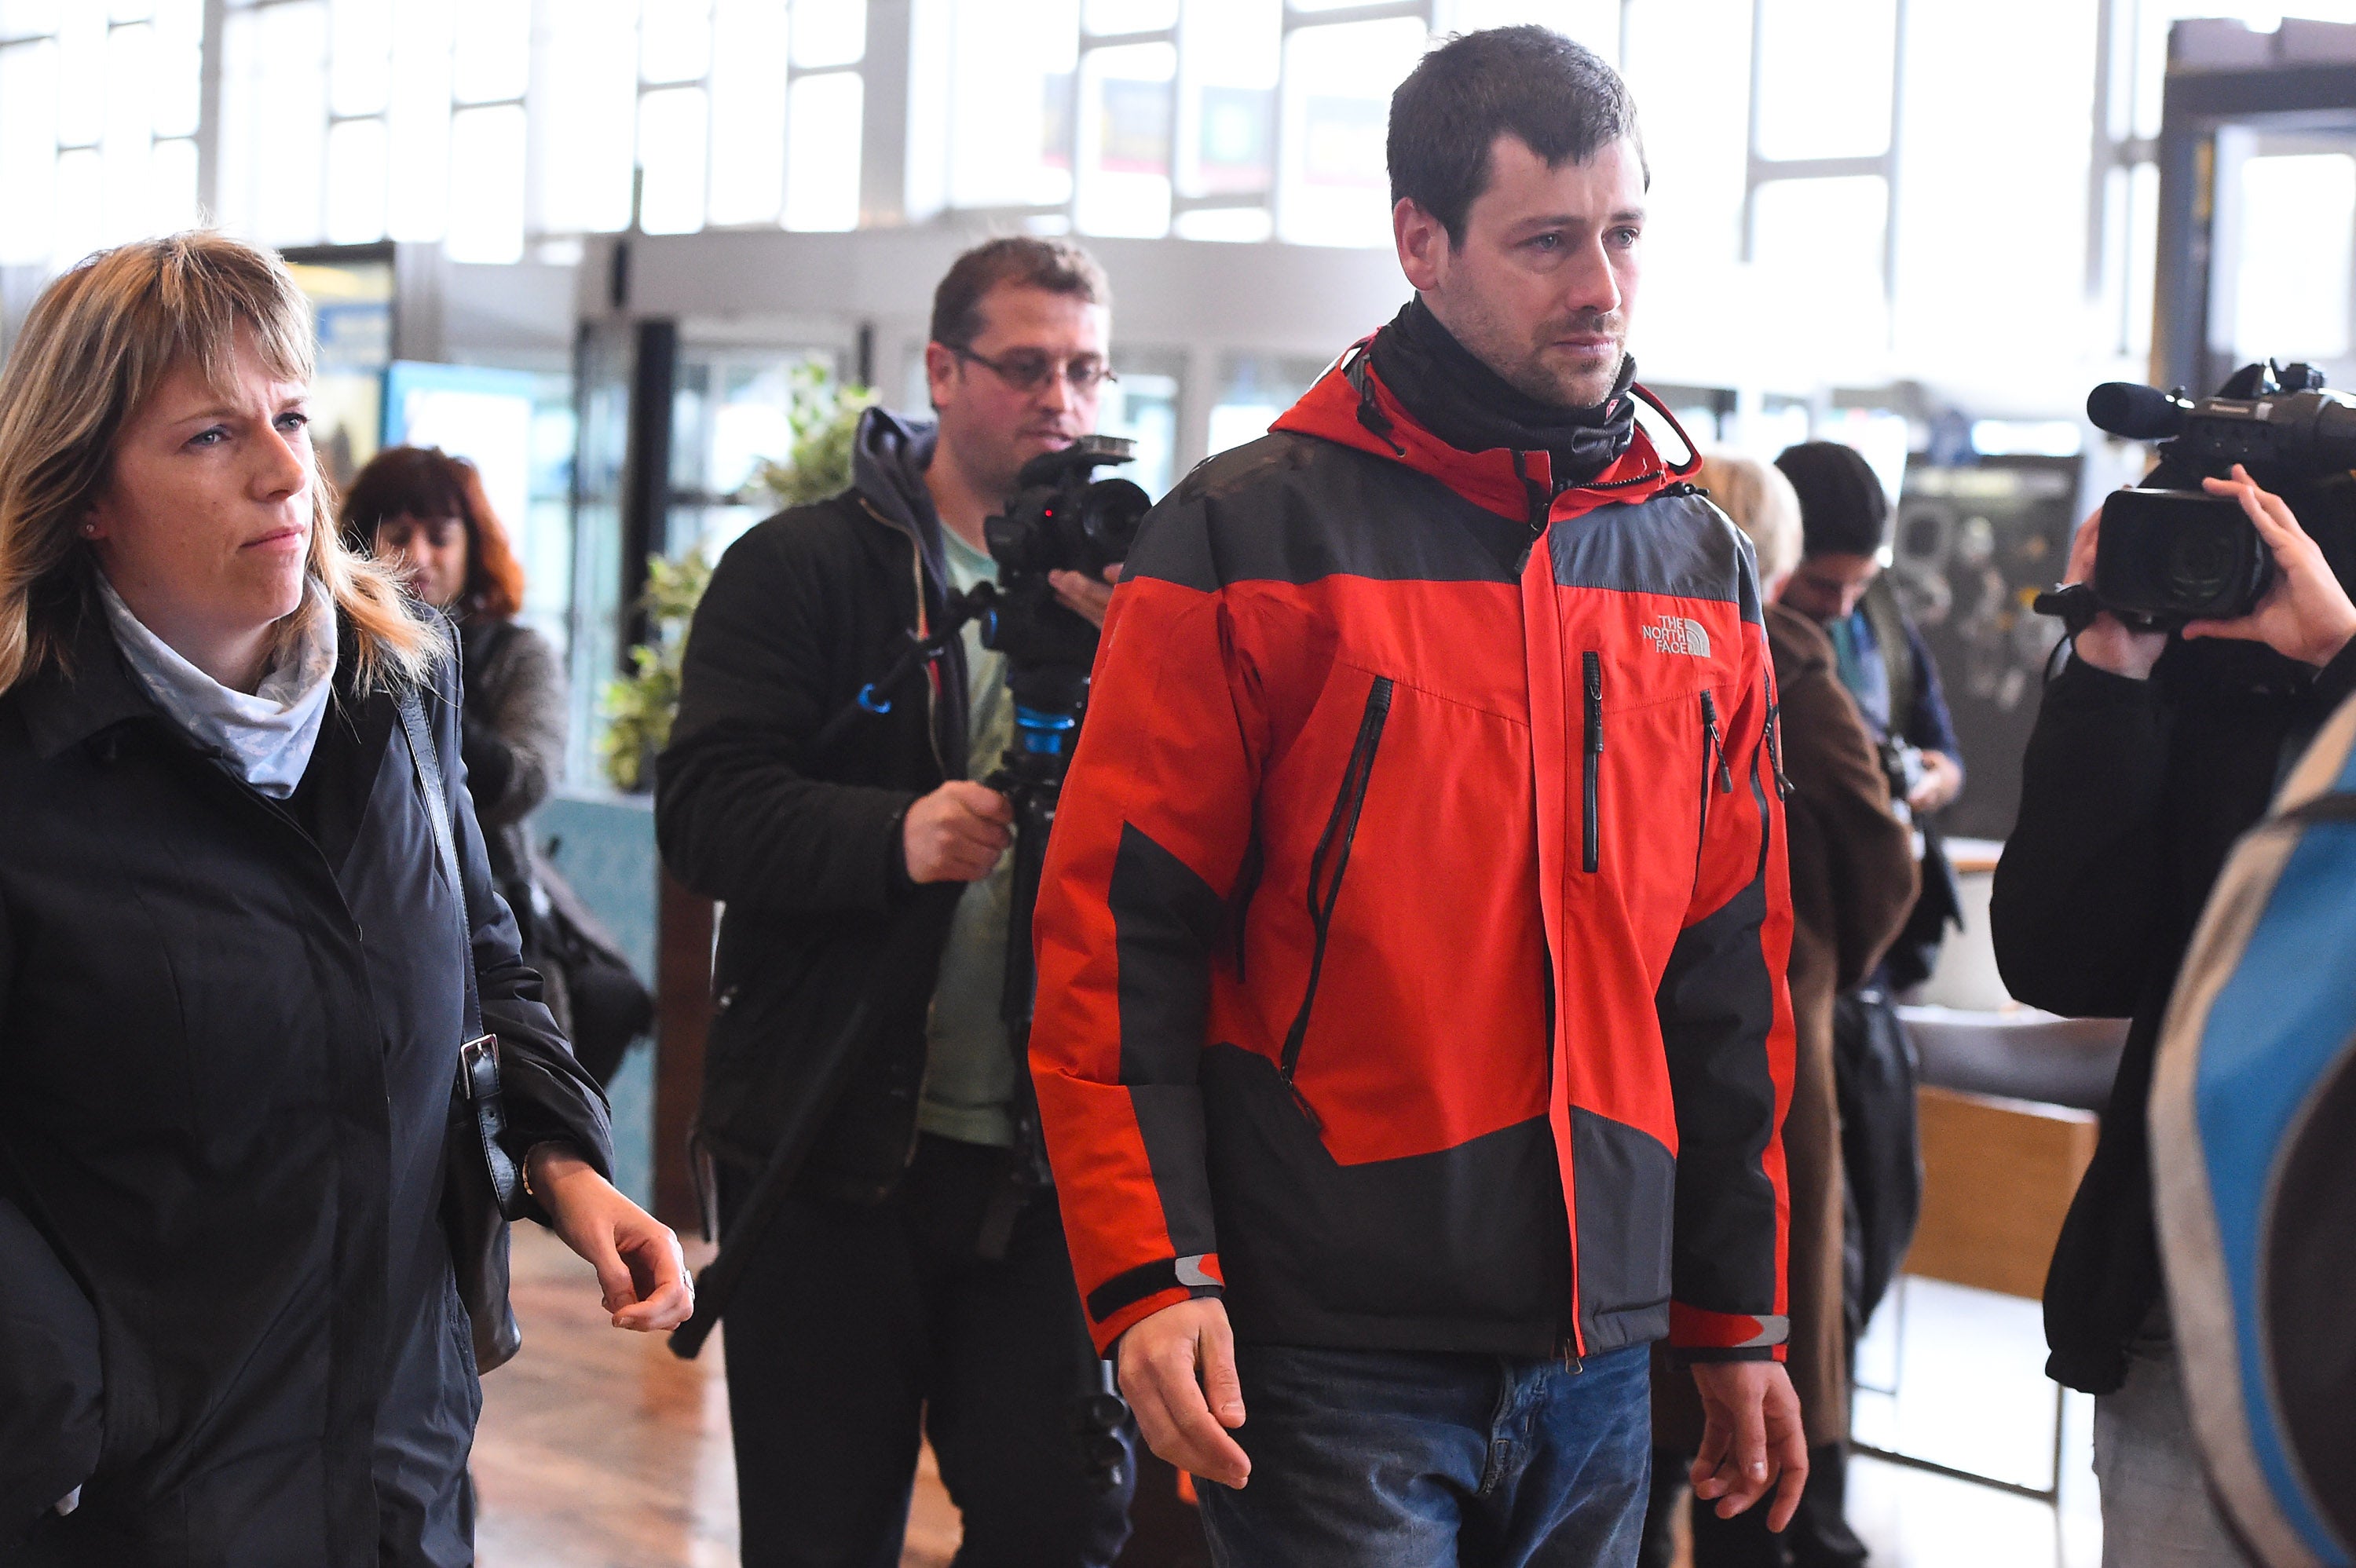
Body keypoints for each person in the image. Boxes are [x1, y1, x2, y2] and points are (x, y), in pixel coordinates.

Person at [1029, 29, 1805, 1565]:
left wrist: (1735, 1309)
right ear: (1420, 242)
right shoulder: (1245, 535)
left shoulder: (1695, 565)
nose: (1602, 285)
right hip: (1329, 1350)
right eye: (1548, 243)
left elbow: (1724, 977)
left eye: (1624, 235)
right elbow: (1116, 944)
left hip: (1604, 1350)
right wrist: (1152, 1269)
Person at [0, 232, 691, 1566]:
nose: (284, 474)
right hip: (123, 1499)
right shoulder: (26, 755)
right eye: (209, 436)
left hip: (397, 1465)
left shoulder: (397, 686)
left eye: (293, 416)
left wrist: (562, 1164)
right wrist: (67, 1397)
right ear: (88, 492)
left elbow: (486, 957)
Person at [654, 236, 1134, 1567]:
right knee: (820, 1537)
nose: (1062, 400)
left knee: (1068, 1517)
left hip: (1046, 1159)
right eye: (1028, 365)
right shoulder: (807, 566)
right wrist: (890, 834)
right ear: (942, 367)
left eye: (1087, 369)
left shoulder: (1139, 597)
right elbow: (702, 806)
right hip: (830, 1149)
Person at [1993, 464, 2356, 1566]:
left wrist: (2344, 666)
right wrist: (2111, 665)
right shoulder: (2203, 698)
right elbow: (2061, 958)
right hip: (2190, 1304)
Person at [1642, 455, 1918, 1568]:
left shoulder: (1634, 653)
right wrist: (1823, 973)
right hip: (1768, 1058)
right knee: (1754, 1391)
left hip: (1635, 1061)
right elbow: (1883, 858)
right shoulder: (1795, 672)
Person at [341, 446, 578, 1038]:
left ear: (473, 548)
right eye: (398, 534)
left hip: (489, 939)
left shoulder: (519, 655)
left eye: (440, 537)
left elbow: (526, 781)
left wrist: (419, 673)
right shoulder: (324, 651)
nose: (418, 556)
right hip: (355, 937)